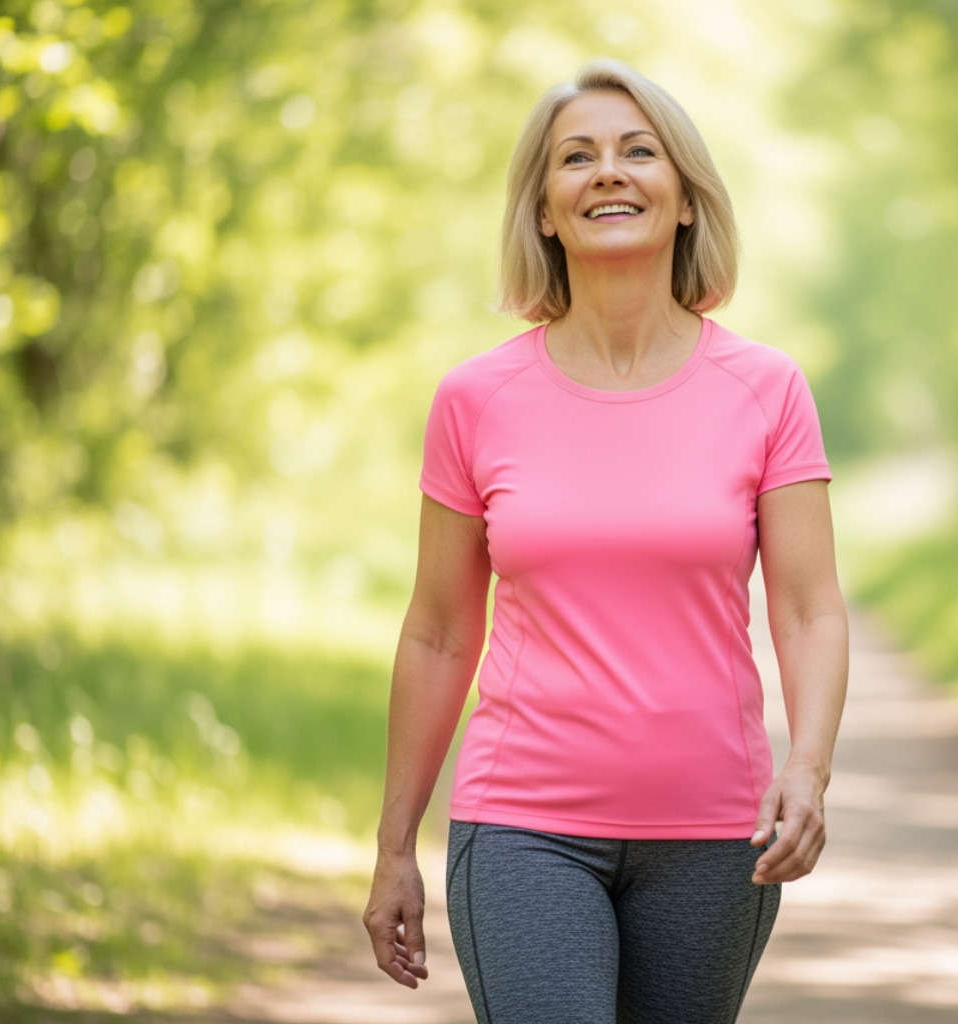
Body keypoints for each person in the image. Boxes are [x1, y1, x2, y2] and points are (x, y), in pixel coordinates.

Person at [362, 57, 848, 1024]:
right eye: (576, 157)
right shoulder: (476, 398)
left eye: (639, 151)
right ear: (544, 210)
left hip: (717, 836)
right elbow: (439, 633)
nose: (608, 172)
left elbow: (807, 606)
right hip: (521, 829)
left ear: (684, 199)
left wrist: (808, 770)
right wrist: (392, 848)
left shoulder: (766, 388)